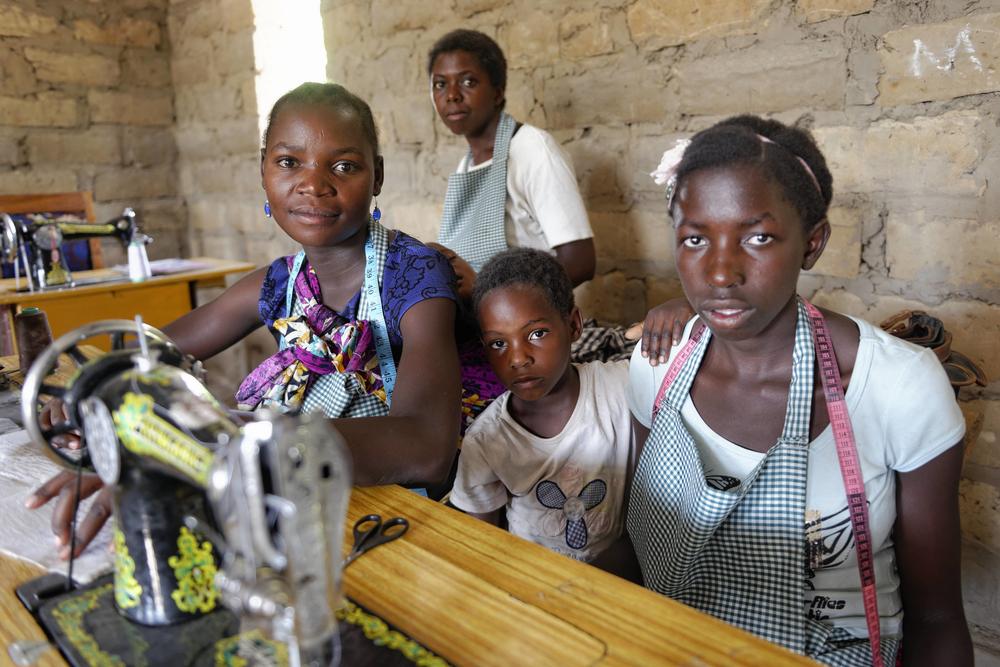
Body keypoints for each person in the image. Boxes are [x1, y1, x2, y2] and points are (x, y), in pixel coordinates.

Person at [26, 83, 462, 558]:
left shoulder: (414, 275)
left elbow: (426, 447)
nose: (313, 184)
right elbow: (149, 352)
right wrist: (88, 392)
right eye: (289, 162)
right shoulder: (280, 283)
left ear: (377, 176)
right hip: (309, 503)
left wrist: (226, 444)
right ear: (263, 171)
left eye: (344, 166)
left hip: (406, 519)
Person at [600, 116, 972, 666]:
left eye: (757, 237)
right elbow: (637, 544)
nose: (721, 273)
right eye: (695, 239)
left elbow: (937, 620)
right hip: (669, 644)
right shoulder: (657, 366)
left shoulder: (896, 387)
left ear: (812, 243)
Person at [449, 248, 634, 563]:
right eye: (498, 343)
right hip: (532, 581)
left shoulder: (620, 387)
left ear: (574, 326)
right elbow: (480, 548)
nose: (519, 359)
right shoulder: (486, 440)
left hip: (619, 579)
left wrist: (679, 311)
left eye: (536, 333)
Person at [426, 29, 596, 292]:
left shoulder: (533, 150)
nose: (452, 95)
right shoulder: (466, 166)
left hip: (523, 322)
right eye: (440, 84)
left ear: (497, 92)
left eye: (468, 82)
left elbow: (580, 261)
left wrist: (491, 293)